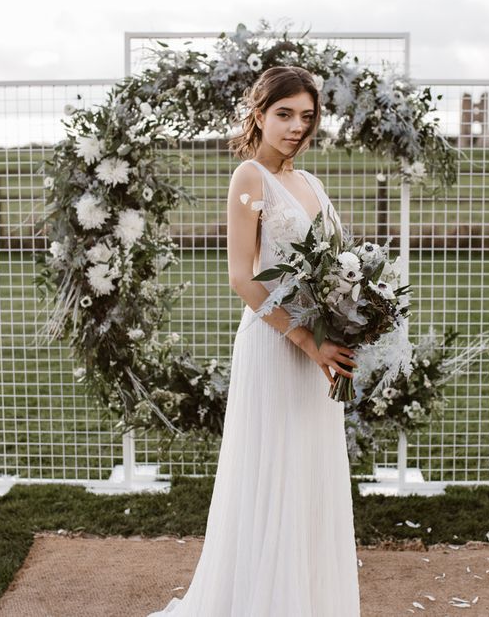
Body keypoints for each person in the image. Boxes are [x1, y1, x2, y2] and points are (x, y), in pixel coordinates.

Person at [147, 65, 361, 616]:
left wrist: (347, 320)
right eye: (284, 114)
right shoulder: (250, 178)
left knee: (309, 473)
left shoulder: (311, 183)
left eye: (307, 117)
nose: (296, 127)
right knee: (272, 473)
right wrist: (311, 344)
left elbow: (334, 266)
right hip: (276, 346)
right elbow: (242, 277)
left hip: (320, 350)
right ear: (260, 115)